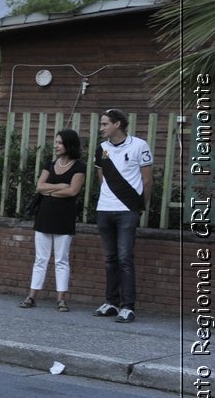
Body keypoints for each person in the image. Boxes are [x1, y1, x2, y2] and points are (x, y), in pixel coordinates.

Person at [92, 108, 154, 323]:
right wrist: (108, 198)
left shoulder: (139, 145)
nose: (101, 128)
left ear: (117, 124)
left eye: (105, 124)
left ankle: (128, 306)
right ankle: (111, 302)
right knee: (110, 258)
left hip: (127, 211)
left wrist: (138, 207)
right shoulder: (101, 149)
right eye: (101, 124)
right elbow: (102, 177)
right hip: (105, 209)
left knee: (125, 258)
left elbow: (147, 180)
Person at [21, 129, 86, 311]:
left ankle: (61, 299)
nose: (56, 146)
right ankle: (32, 296)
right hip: (44, 215)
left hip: (64, 217)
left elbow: (72, 191)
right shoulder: (49, 164)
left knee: (61, 259)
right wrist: (59, 187)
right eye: (56, 142)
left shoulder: (79, 166)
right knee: (40, 258)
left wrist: (50, 191)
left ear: (69, 144)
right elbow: (40, 186)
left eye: (59, 142)